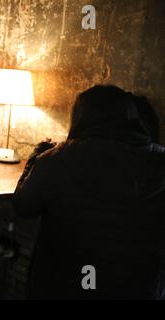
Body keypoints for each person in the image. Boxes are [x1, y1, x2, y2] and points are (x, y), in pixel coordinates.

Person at [13, 85, 165, 299]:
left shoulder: (55, 159)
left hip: (64, 284)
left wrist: (35, 157)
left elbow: (23, 206)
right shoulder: (160, 162)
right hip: (136, 288)